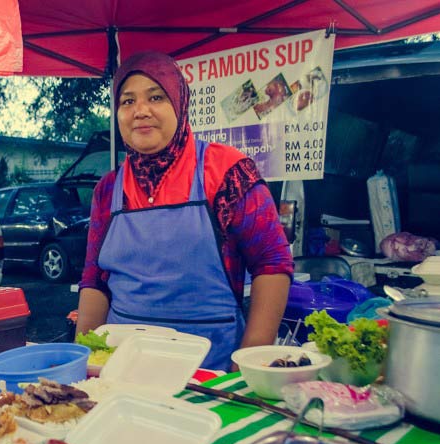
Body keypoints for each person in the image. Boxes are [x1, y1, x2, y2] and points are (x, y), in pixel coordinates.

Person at [76, 51, 293, 371]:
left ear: (179, 103)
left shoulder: (226, 172)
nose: (141, 111)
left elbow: (272, 263)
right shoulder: (108, 190)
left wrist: (248, 364)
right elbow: (95, 279)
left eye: (156, 97)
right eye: (127, 101)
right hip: (121, 370)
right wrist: (83, 359)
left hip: (211, 371)